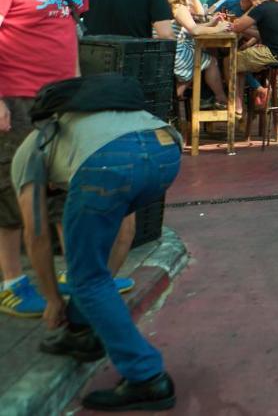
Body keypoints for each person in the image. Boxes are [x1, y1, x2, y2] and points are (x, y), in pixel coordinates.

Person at [10, 75, 181, 410]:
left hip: (106, 167)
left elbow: (36, 235)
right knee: (89, 266)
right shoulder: (97, 124)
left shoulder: (29, 152)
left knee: (87, 276)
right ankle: (82, 330)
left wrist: (52, 299)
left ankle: (147, 377)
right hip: (167, 150)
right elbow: (124, 231)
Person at [0, 0, 101, 319]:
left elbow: (67, 33)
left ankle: (67, 272)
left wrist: (76, 90)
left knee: (64, 186)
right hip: (18, 97)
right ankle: (11, 281)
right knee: (14, 191)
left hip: (63, 99)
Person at [164, 0, 230, 108]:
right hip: (177, 55)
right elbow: (194, 31)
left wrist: (211, 23)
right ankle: (220, 97)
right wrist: (218, 28)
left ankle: (170, 100)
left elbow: (189, 28)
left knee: (198, 62)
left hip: (166, 53)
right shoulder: (178, 8)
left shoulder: (166, 6)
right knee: (211, 61)